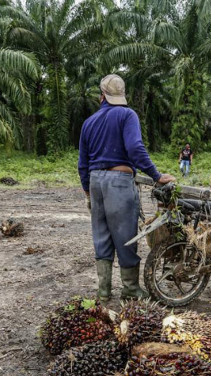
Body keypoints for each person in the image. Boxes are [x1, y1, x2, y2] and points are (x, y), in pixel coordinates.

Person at [78, 74, 176, 301]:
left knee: (101, 236)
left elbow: (82, 163)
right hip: (119, 182)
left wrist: (87, 191)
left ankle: (103, 291)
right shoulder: (127, 114)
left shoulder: (88, 122)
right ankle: (130, 288)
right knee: (125, 235)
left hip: (95, 182)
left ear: (101, 96)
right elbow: (135, 149)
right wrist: (156, 175)